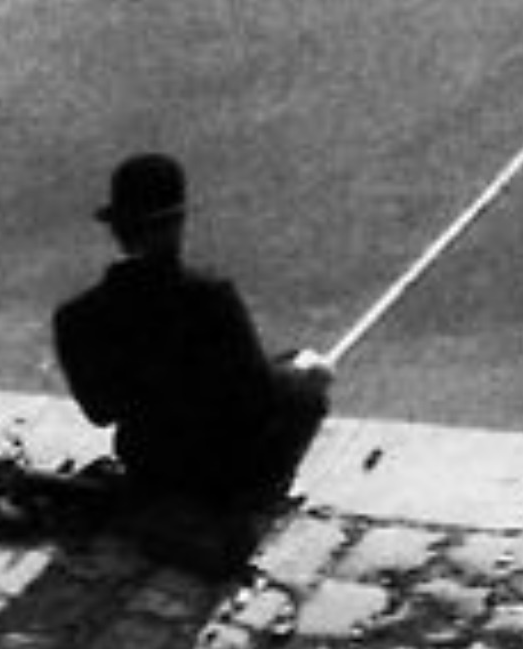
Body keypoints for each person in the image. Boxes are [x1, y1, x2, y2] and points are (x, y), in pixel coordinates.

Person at [49, 151, 329, 569]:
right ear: (177, 225)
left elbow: (99, 411)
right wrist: (300, 373)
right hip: (227, 467)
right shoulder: (210, 296)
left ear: (119, 232)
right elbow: (257, 397)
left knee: (283, 373)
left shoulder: (77, 317)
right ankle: (256, 499)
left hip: (151, 463)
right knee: (308, 387)